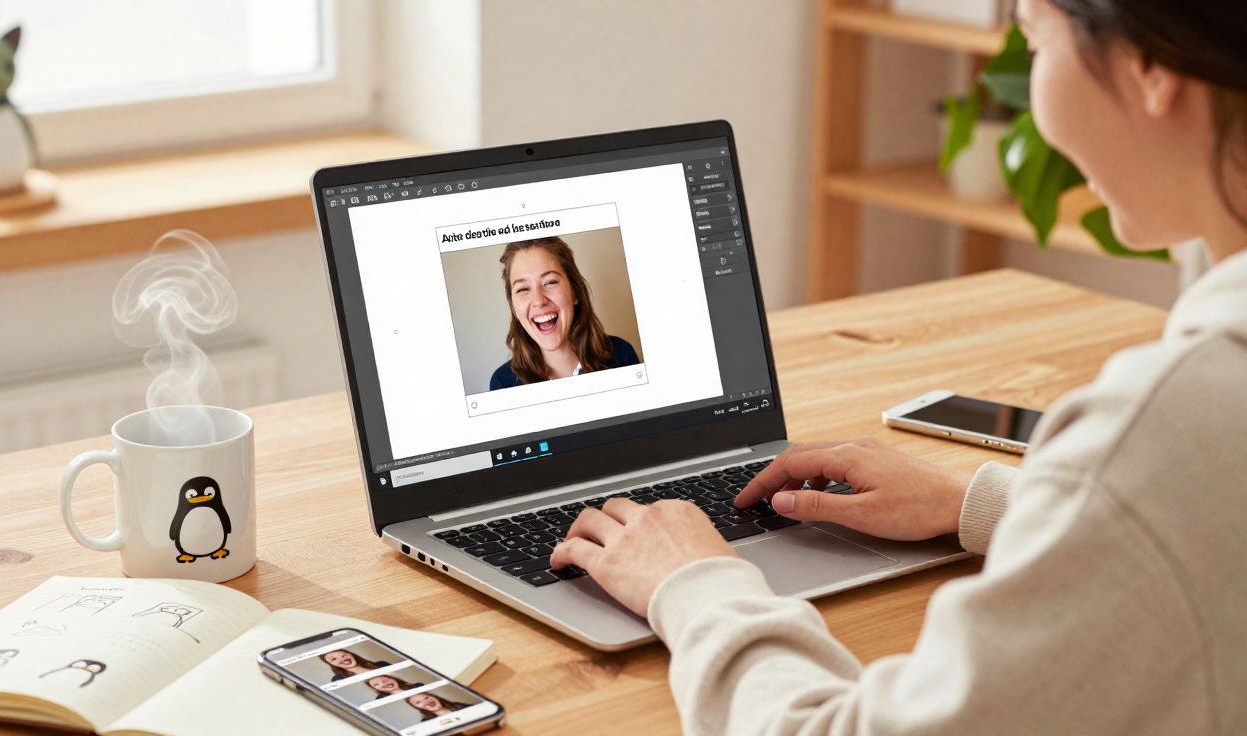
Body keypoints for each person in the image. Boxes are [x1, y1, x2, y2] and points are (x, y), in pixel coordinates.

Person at [551, 0, 1247, 732]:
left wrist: (690, 583)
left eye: (1035, 39)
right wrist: (984, 503)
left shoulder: (1170, 416)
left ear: (1149, 68)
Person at [489, 237, 640, 390]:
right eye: (523, 289)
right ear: (514, 307)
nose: (539, 301)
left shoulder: (622, 355)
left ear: (574, 292)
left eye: (550, 282)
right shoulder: (502, 384)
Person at [320, 649, 389, 682]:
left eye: (343, 655)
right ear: (331, 664)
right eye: (334, 659)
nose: (342, 658)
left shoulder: (382, 664)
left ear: (350, 654)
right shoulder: (339, 679)